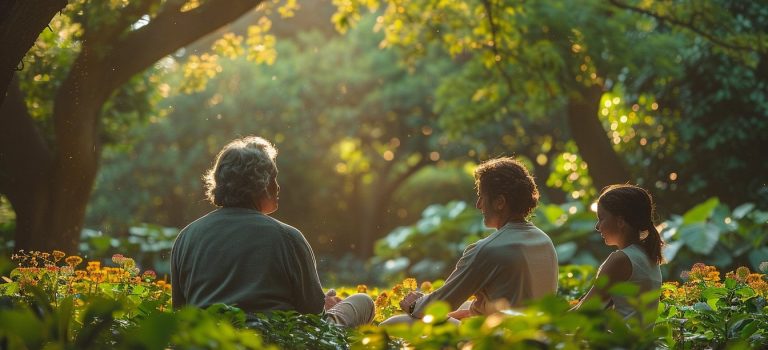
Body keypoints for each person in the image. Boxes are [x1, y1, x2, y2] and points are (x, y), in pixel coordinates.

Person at [170, 136, 374, 327]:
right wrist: (325, 304)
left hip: (206, 342)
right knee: (363, 301)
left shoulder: (186, 237)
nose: (277, 186)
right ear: (260, 183)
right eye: (273, 178)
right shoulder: (287, 237)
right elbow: (311, 312)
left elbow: (180, 311)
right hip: (277, 342)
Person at [381, 157, 558, 325]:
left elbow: (439, 306)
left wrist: (414, 305)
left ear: (499, 202)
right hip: (535, 337)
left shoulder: (487, 250)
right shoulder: (545, 241)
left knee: (392, 324)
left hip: (494, 340)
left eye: (482, 196)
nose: (478, 204)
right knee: (464, 308)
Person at [570, 184, 664, 321]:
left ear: (620, 221)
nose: (597, 226)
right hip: (641, 341)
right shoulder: (647, 256)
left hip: (620, 341)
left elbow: (586, 309)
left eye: (601, 218)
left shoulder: (621, 259)